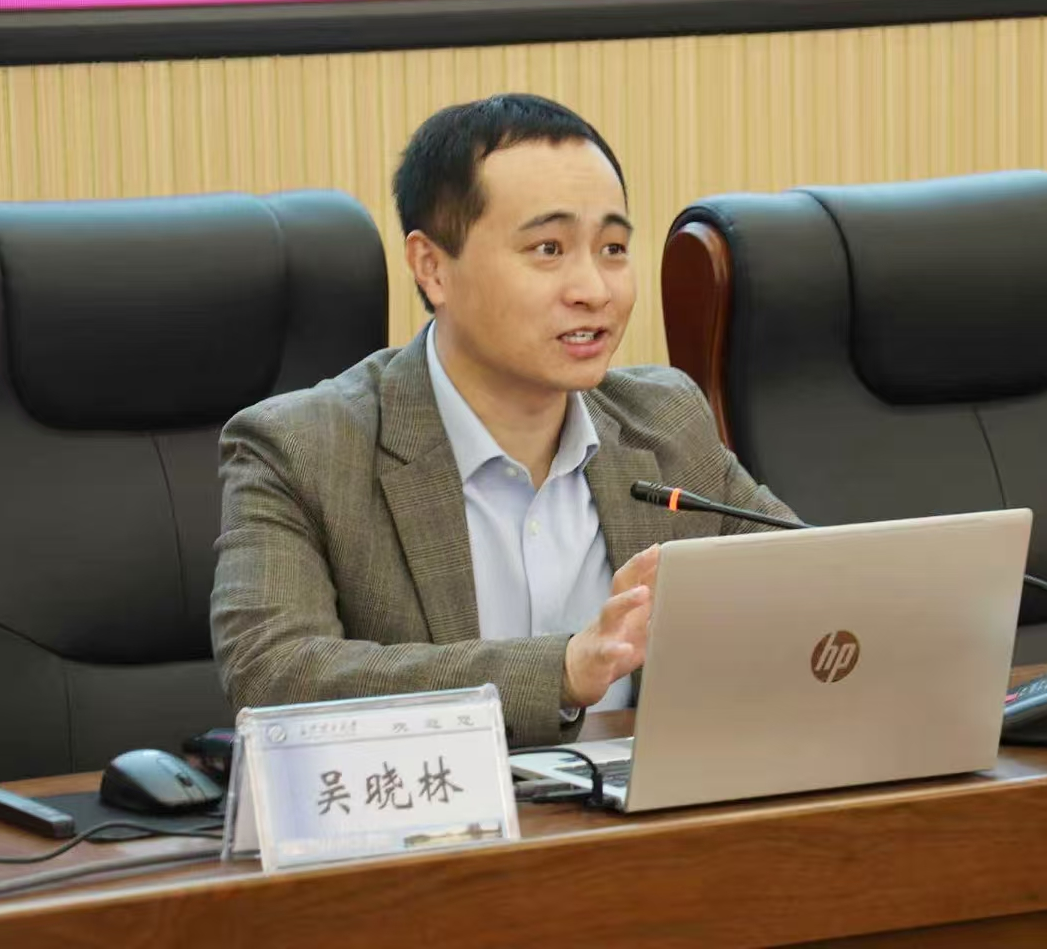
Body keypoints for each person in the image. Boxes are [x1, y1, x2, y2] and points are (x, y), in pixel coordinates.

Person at [211, 93, 795, 747]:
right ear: (432, 267)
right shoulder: (300, 449)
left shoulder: (664, 421)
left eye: (612, 248)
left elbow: (813, 585)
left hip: (640, 804)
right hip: (433, 806)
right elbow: (276, 672)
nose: (594, 290)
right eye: (548, 248)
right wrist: (563, 669)